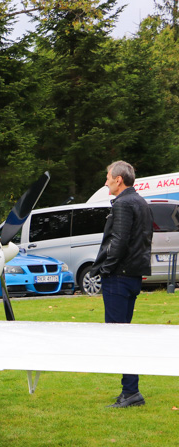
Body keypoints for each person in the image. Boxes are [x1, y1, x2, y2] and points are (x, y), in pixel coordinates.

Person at [91, 160, 153, 408]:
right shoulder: (140, 202)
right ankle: (130, 391)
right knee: (124, 333)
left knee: (119, 336)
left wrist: (106, 270)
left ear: (119, 180)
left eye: (108, 177)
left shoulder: (124, 203)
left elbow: (119, 241)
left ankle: (131, 392)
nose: (105, 181)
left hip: (119, 276)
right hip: (133, 276)